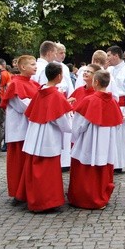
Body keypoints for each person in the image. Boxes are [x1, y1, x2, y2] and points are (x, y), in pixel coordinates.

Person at [17, 63, 72, 212]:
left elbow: (32, 111)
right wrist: (70, 128)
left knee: (34, 168)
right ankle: (47, 202)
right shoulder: (55, 95)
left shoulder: (40, 91)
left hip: (35, 133)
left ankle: (34, 199)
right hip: (48, 136)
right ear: (59, 76)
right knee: (47, 171)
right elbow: (60, 120)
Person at [68, 70, 121, 209]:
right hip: (107, 144)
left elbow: (79, 125)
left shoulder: (89, 100)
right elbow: (117, 124)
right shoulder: (114, 102)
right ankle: (101, 196)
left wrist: (75, 137)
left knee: (85, 167)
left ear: (96, 82)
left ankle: (85, 198)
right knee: (103, 167)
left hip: (89, 141)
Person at [0, 55, 40, 200]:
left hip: (29, 127)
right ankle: (18, 192)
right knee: (18, 163)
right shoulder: (16, 84)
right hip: (19, 129)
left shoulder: (34, 84)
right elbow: (22, 106)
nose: (35, 66)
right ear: (22, 67)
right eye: (32, 64)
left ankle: (27, 190)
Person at [107, 45, 125, 171]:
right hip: (111, 106)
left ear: (116, 55)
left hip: (123, 106)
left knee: (122, 137)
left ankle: (121, 163)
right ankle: (111, 161)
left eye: (109, 55)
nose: (107, 58)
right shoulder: (109, 70)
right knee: (111, 136)